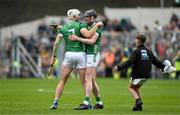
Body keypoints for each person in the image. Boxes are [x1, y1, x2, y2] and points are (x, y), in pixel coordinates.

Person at [49, 8, 103, 109]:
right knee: (86, 81)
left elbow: (56, 43)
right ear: (74, 17)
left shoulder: (63, 27)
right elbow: (88, 34)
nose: (80, 17)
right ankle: (89, 102)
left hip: (69, 55)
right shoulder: (80, 25)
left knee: (62, 81)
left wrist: (53, 56)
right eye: (78, 15)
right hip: (81, 55)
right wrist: (97, 24)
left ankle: (55, 102)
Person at [113, 34, 176, 111]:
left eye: (136, 39)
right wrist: (163, 67)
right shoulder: (149, 51)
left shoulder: (136, 51)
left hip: (138, 74)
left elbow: (129, 61)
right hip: (146, 75)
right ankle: (139, 106)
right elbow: (156, 62)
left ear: (138, 40)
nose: (135, 40)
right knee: (136, 88)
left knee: (130, 87)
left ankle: (138, 100)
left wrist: (118, 67)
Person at [69, 9, 104, 110]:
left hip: (93, 54)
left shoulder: (96, 27)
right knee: (91, 80)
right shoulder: (87, 26)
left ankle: (86, 102)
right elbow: (81, 31)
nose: (86, 18)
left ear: (93, 18)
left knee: (87, 78)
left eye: (88, 17)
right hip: (87, 54)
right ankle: (99, 103)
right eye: (85, 17)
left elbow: (92, 41)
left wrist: (78, 39)